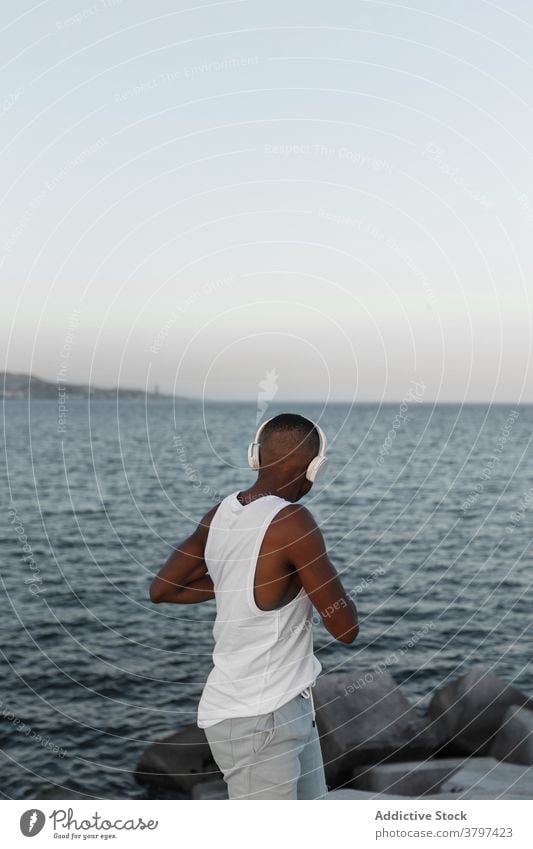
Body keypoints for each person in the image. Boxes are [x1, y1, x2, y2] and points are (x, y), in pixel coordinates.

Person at [149, 413, 359, 799]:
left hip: (283, 705)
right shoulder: (295, 522)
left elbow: (164, 589)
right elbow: (345, 628)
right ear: (316, 467)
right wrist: (300, 574)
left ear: (254, 457)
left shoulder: (220, 515)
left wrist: (245, 580)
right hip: (259, 719)